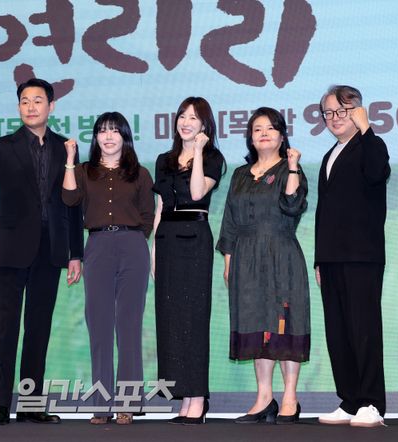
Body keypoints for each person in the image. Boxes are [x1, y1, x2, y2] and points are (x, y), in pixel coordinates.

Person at [0, 78, 84, 426]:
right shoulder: (2, 146)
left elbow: (73, 204)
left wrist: (75, 253)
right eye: (24, 101)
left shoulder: (66, 147)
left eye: (37, 100)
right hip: (13, 247)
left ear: (51, 106)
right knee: (5, 328)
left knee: (38, 329)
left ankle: (32, 405)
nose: (30, 107)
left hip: (51, 249)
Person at [216, 107, 309, 425]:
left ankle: (290, 397)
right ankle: (264, 398)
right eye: (257, 129)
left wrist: (293, 167)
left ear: (282, 136)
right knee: (256, 323)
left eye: (270, 128)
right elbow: (229, 222)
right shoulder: (240, 175)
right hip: (245, 259)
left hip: (281, 255)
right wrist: (229, 262)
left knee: (285, 323)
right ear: (250, 138)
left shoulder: (290, 169)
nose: (264, 133)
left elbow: (292, 205)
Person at [62, 112, 154, 425]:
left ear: (125, 136)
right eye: (103, 131)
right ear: (96, 137)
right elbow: (69, 198)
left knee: (129, 325)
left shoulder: (140, 173)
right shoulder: (83, 171)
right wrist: (70, 160)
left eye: (115, 131)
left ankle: (128, 403)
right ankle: (101, 405)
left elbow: (147, 215)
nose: (109, 136)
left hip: (132, 247)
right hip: (98, 246)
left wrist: (134, 240)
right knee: (99, 325)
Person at [315, 86, 390, 428]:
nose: (334, 118)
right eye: (328, 113)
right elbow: (324, 212)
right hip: (331, 258)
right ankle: (350, 400)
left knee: (363, 329)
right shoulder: (330, 155)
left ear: (357, 111)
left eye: (342, 111)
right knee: (338, 332)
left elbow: (376, 173)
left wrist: (367, 128)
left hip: (362, 255)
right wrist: (319, 259)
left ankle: (372, 403)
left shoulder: (371, 145)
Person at [152, 97, 226, 425]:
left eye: (193, 118)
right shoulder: (164, 160)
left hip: (194, 238)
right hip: (166, 239)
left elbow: (196, 193)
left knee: (193, 319)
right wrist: (154, 251)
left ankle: (198, 397)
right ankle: (182, 395)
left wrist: (197, 151)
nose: (186, 122)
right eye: (182, 116)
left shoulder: (212, 158)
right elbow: (160, 206)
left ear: (205, 125)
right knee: (170, 319)